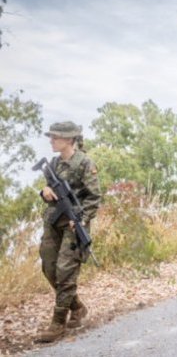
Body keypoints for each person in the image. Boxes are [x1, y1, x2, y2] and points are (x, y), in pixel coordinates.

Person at [35, 122, 101, 343]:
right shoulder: (54, 163)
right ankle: (77, 307)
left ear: (69, 139)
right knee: (49, 268)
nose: (51, 141)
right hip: (53, 223)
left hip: (74, 224)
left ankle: (57, 323)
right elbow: (49, 190)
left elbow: (94, 197)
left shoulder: (84, 163)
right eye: (51, 137)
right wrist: (44, 191)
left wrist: (81, 219)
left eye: (55, 137)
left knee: (65, 270)